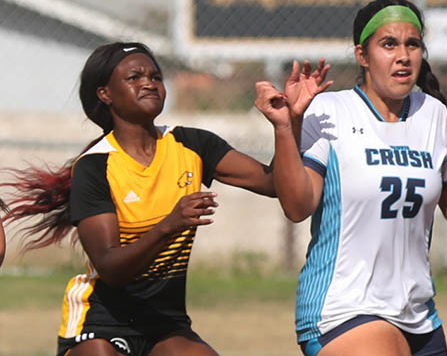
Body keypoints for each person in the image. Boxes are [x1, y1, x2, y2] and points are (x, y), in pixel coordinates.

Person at [0, 41, 323, 356]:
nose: (149, 84)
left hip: (164, 321)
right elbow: (111, 268)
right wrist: (169, 224)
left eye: (155, 77)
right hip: (101, 320)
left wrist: (286, 123)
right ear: (105, 94)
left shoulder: (191, 143)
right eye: (134, 77)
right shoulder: (96, 166)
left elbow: (274, 183)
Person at [254, 0, 447, 356]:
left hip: (418, 315)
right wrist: (284, 127)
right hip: (343, 308)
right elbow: (297, 205)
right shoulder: (330, 110)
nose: (403, 55)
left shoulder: (433, 114)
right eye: (389, 44)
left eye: (412, 44)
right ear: (361, 55)